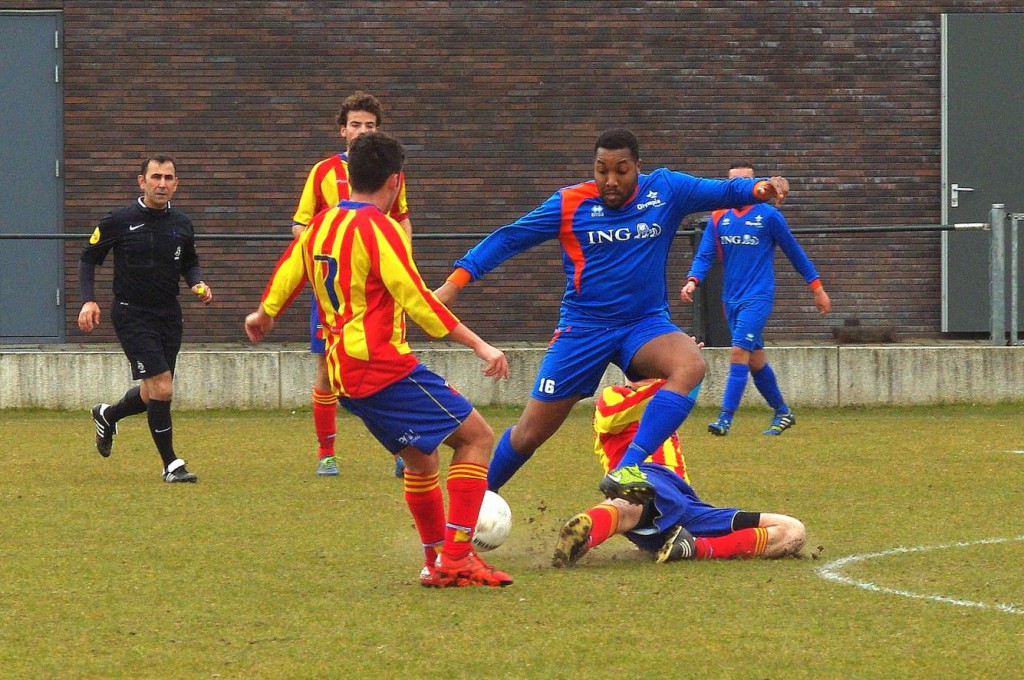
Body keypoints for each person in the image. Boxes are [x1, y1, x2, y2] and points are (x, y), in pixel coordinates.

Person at [435, 128, 790, 503]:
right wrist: (455, 283)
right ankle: (468, 509)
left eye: (621, 170)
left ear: (638, 167)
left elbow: (722, 190)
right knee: (529, 434)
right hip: (582, 329)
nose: (610, 180)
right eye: (601, 170)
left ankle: (628, 467)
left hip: (644, 325)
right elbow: (509, 238)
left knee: (690, 365)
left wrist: (761, 188)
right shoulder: (570, 202)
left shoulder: (666, 190)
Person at [246, 132, 513, 588]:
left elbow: (290, 268)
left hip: (342, 374)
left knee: (422, 462)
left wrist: (265, 313)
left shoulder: (323, 224)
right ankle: (455, 557)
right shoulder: (380, 229)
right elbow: (419, 302)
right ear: (395, 181)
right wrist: (480, 345)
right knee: (478, 438)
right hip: (383, 367)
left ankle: (434, 562)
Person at [552, 377, 806, 568]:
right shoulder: (615, 394)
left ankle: (691, 548)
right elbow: (609, 417)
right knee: (632, 503)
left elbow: (683, 395)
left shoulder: (670, 405)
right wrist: (670, 380)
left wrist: (684, 378)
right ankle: (586, 532)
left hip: (686, 503)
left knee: (792, 530)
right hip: (641, 479)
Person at [291, 91, 412, 478]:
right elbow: (299, 225)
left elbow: (402, 219)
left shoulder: (392, 174)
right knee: (328, 372)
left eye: (370, 126)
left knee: (392, 366)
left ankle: (403, 446)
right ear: (342, 130)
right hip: (334, 293)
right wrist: (326, 243)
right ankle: (326, 453)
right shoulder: (323, 172)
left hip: (379, 293)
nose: (362, 131)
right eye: (355, 124)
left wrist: (402, 261)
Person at [78, 154, 212, 483]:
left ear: (176, 184)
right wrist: (87, 301)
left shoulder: (182, 224)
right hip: (131, 313)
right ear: (142, 182)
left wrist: (197, 281)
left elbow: (190, 262)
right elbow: (87, 259)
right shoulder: (118, 221)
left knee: (152, 392)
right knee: (163, 387)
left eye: (168, 178)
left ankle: (107, 414)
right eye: (156, 177)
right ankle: (171, 464)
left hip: (169, 314)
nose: (162, 184)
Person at [681, 162, 831, 437]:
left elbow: (795, 253)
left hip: (758, 296)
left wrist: (817, 287)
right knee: (755, 360)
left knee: (738, 351)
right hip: (731, 299)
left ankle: (725, 419)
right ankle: (783, 412)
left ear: (756, 185)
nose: (738, 189)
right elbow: (705, 255)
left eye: (744, 183)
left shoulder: (769, 216)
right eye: (732, 184)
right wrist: (693, 280)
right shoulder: (718, 217)